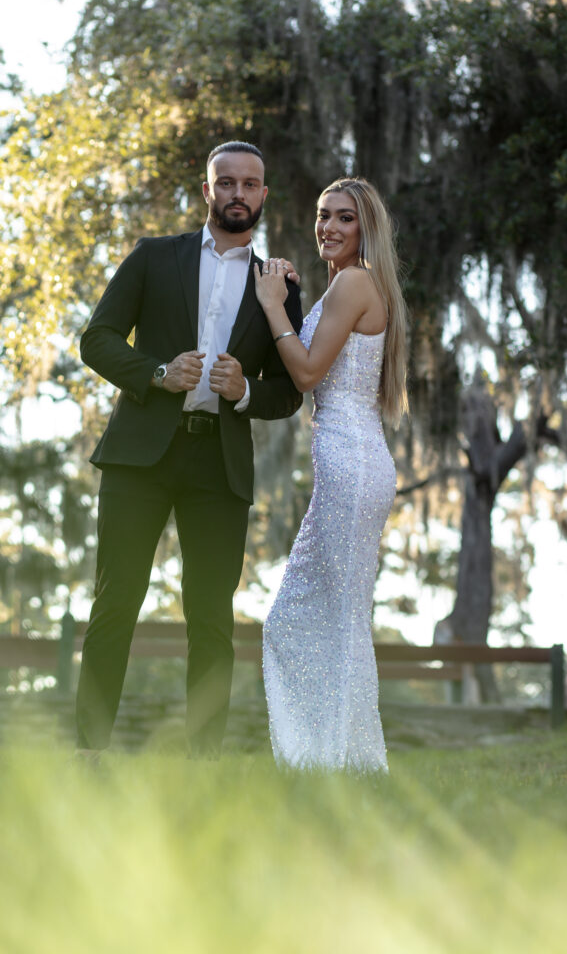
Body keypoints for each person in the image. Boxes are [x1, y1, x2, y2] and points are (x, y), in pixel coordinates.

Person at [75, 141, 303, 759]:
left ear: (263, 195)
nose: (237, 193)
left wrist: (246, 389)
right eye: (224, 182)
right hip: (138, 456)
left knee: (211, 619)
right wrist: (155, 373)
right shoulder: (154, 257)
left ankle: (203, 763)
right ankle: (89, 752)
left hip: (217, 466)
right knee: (116, 600)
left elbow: (291, 391)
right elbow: (94, 339)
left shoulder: (277, 285)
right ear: (207, 191)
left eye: (249, 184)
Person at [254, 177, 408, 772]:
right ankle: (338, 757)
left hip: (352, 462)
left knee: (306, 618)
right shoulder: (358, 284)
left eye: (344, 218)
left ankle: (342, 758)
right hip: (356, 460)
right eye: (323, 216)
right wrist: (291, 292)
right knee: (337, 614)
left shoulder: (354, 280)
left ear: (365, 227)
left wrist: (272, 307)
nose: (329, 227)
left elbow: (308, 372)